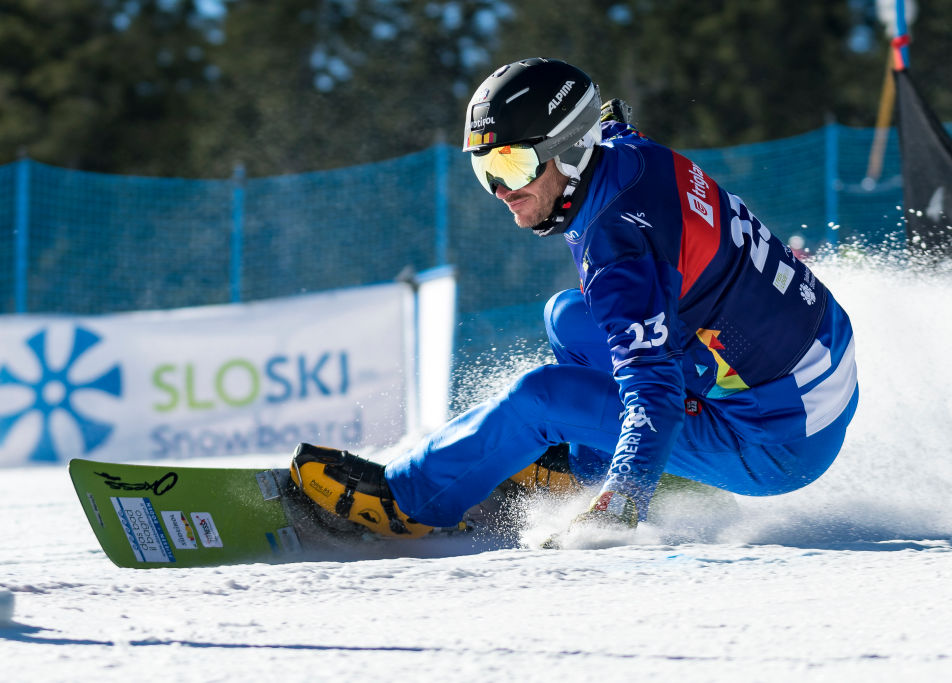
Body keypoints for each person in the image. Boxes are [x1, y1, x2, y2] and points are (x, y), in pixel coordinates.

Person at [290, 57, 858, 543]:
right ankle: (586, 463)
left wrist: (623, 500)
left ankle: (408, 502)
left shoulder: (618, 248)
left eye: (513, 164)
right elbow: (612, 128)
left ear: (567, 150)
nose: (502, 190)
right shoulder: (621, 158)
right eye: (483, 168)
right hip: (811, 369)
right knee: (569, 317)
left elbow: (653, 392)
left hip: (777, 440)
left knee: (543, 397)